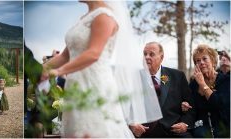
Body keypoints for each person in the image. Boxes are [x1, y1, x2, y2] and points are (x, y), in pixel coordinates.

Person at [41, 1, 162, 137]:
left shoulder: (104, 16)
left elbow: (94, 53)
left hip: (94, 85)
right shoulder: (84, 18)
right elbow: (64, 56)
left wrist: (58, 72)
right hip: (75, 85)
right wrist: (41, 69)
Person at [130, 42, 196, 137]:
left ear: (161, 57)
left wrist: (185, 124)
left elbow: (191, 107)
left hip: (174, 132)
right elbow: (125, 108)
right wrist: (132, 125)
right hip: (144, 132)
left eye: (151, 54)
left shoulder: (177, 76)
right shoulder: (134, 78)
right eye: (145, 54)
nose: (147, 57)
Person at [187, 45, 230, 137]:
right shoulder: (193, 84)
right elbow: (191, 107)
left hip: (223, 126)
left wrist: (203, 84)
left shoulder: (226, 80)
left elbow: (219, 104)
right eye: (198, 61)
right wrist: (185, 105)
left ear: (213, 61)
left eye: (204, 59)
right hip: (201, 127)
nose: (201, 62)